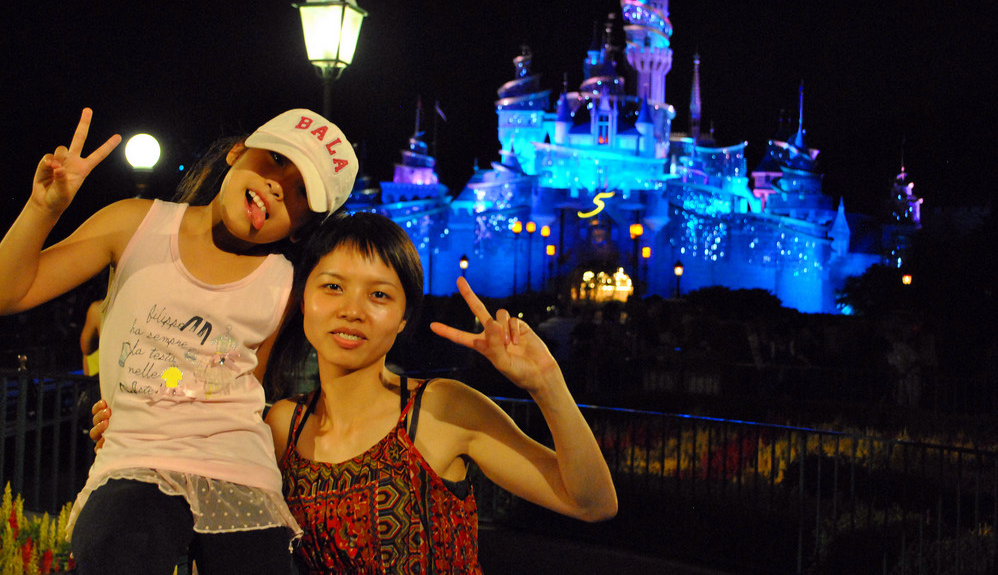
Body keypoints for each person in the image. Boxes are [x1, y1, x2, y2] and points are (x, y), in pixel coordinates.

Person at [0, 107, 357, 575]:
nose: (277, 186)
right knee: (118, 547)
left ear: (301, 228)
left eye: (300, 194)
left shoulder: (285, 285)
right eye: (276, 159)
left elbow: (249, 384)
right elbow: (10, 292)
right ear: (237, 152)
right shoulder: (135, 223)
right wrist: (43, 209)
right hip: (136, 460)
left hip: (239, 468)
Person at [264, 212, 617, 573]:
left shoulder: (441, 409)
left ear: (403, 318)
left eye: (379, 294)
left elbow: (593, 504)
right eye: (333, 287)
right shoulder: (285, 425)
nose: (352, 311)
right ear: (303, 299)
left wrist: (547, 384)